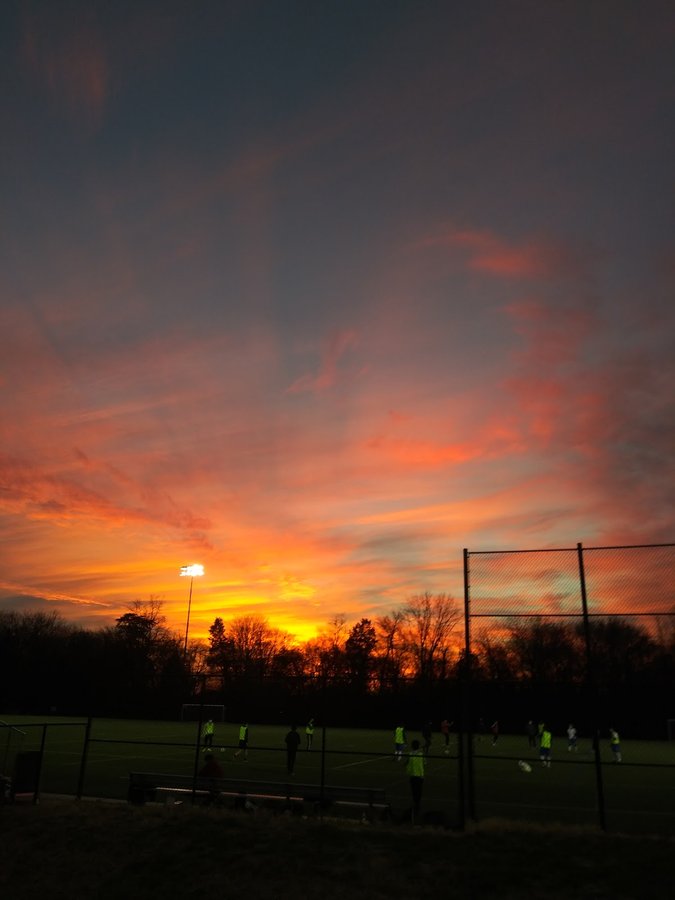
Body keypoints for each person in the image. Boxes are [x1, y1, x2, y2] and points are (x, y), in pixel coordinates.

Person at [406, 739, 425, 823]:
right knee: (419, 790)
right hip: (420, 776)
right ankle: (417, 803)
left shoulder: (410, 754)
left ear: (412, 746)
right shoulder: (421, 754)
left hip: (412, 776)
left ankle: (415, 802)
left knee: (414, 790)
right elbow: (425, 763)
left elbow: (407, 763)